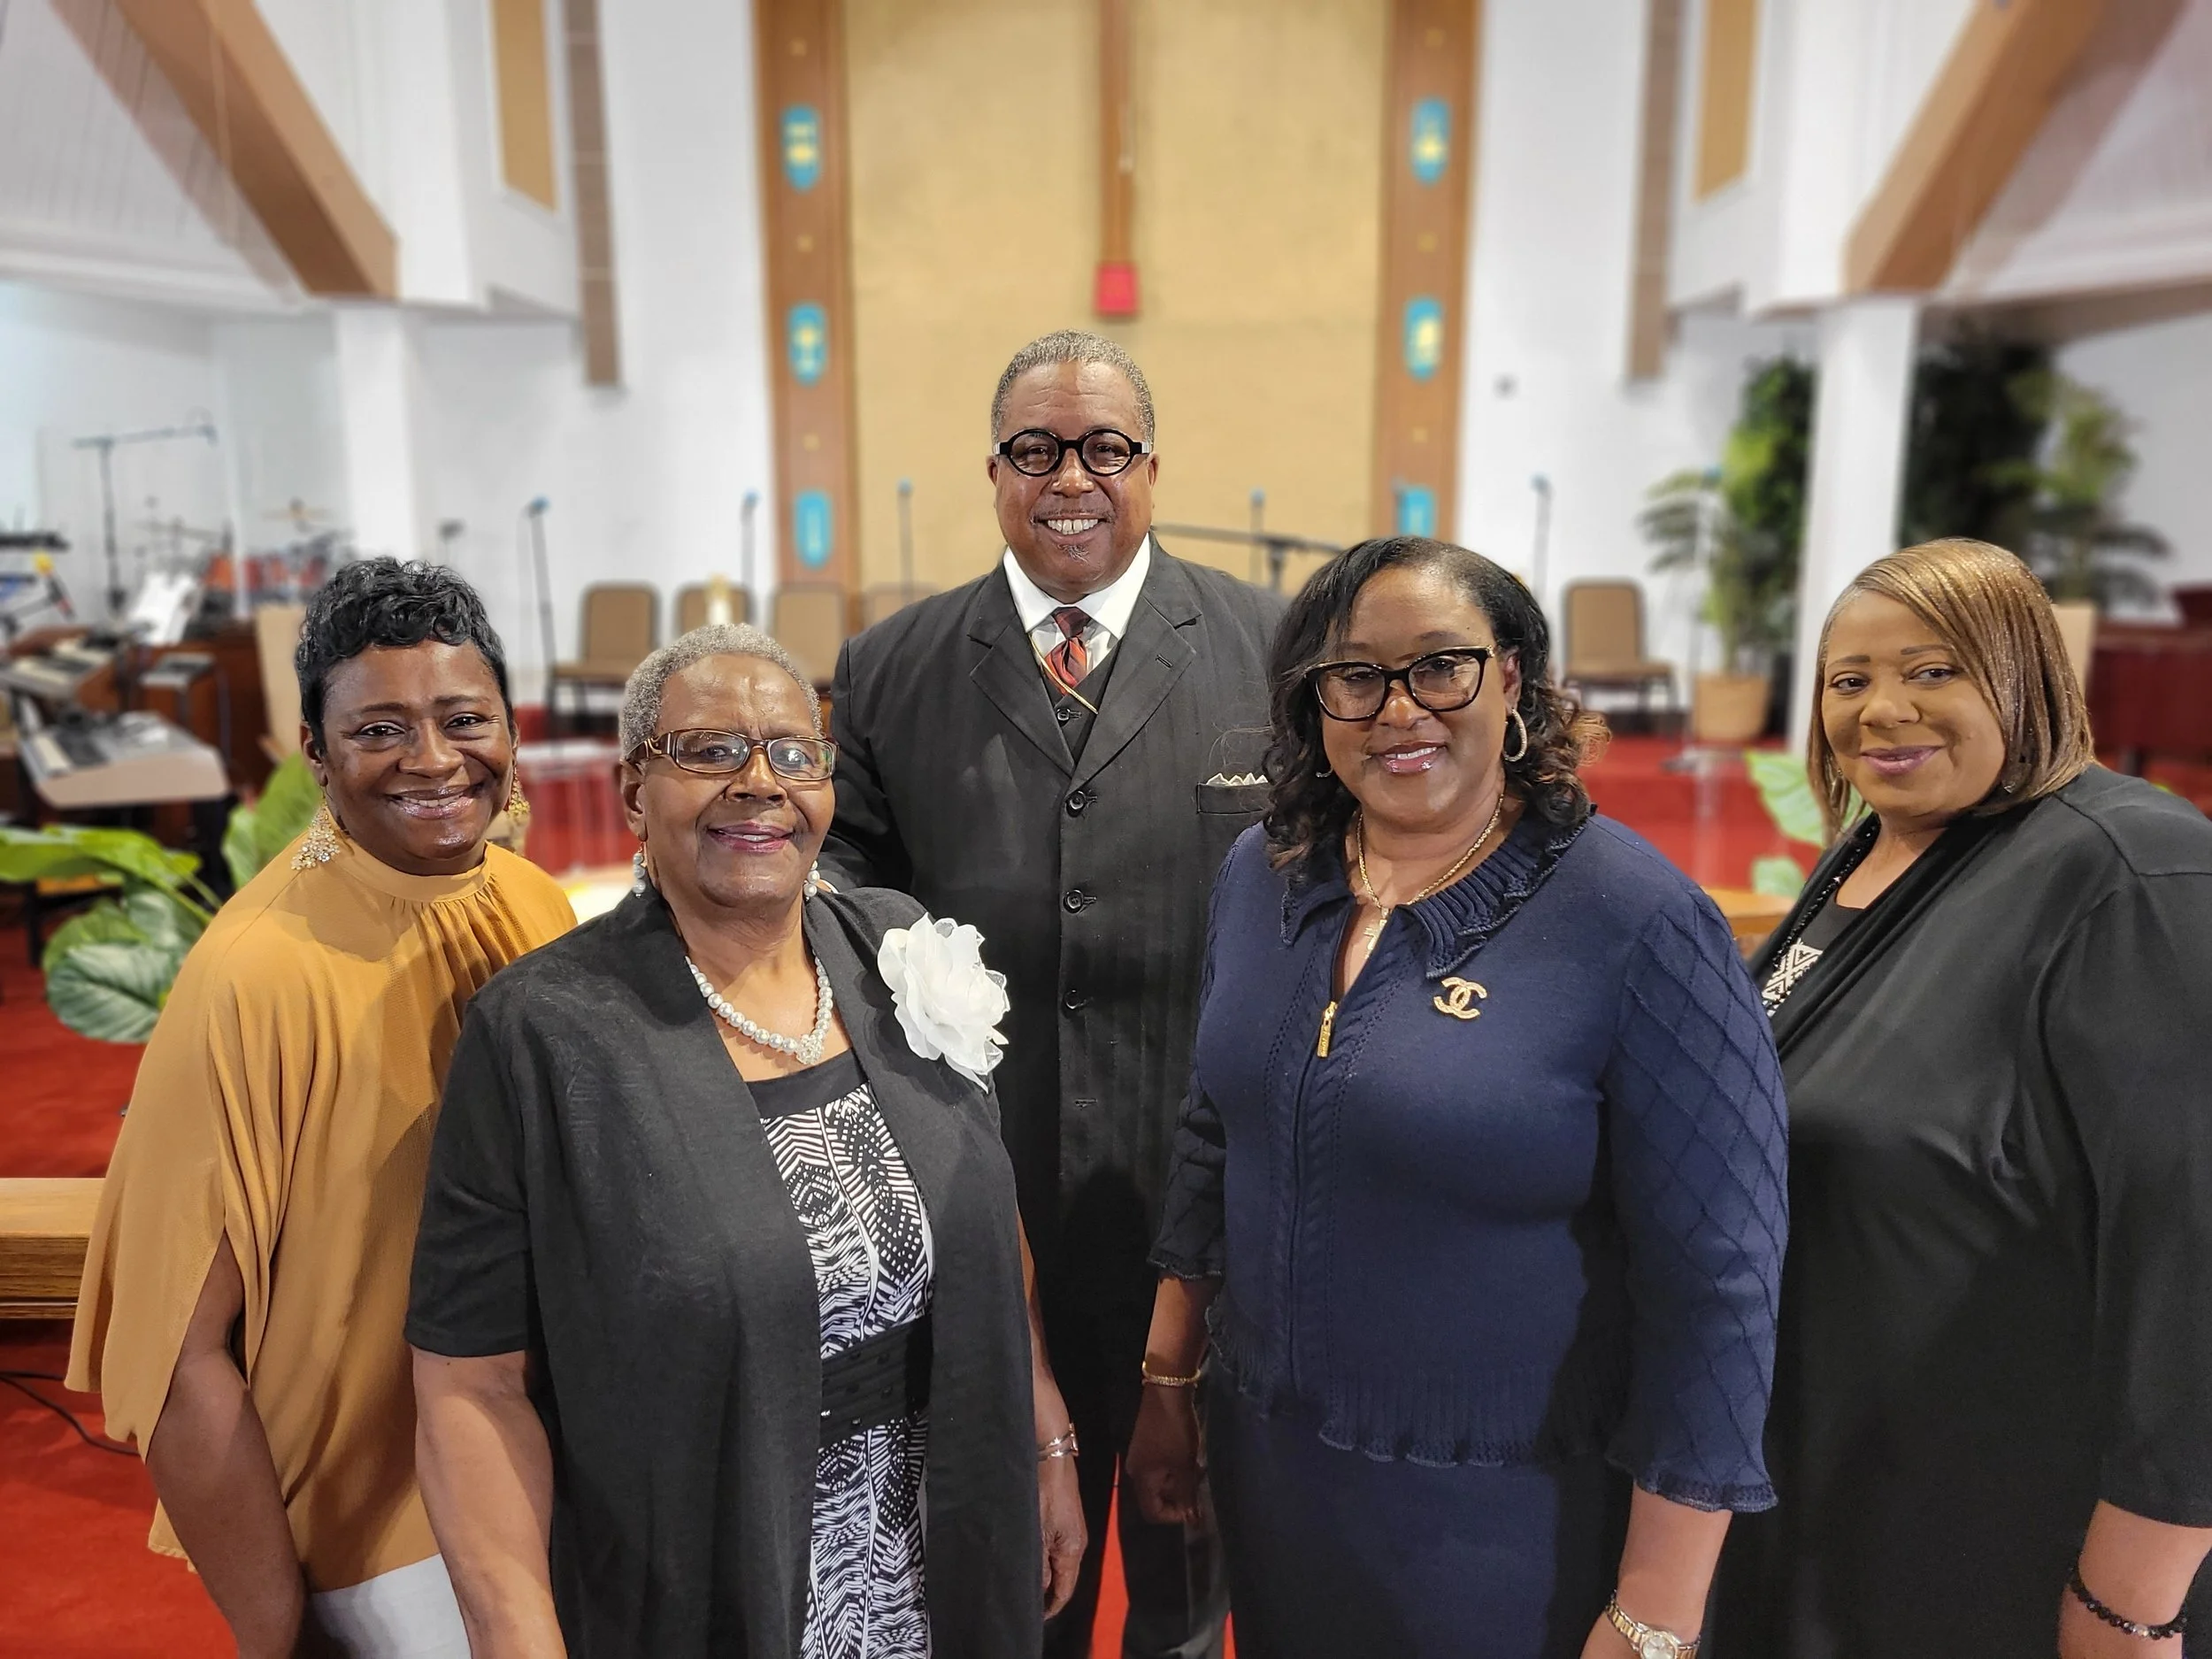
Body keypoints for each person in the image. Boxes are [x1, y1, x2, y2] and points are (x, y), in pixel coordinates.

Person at [1125, 535, 1790, 1659]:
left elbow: (1720, 1283)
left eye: (1442, 666)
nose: (1400, 710)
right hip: (1277, 1487)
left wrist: (1657, 1609)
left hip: (1503, 1526)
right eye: (1356, 677)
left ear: (1514, 679)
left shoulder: (1634, 920)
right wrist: (1167, 1376)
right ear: (1312, 703)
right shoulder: (1262, 874)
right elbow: (1212, 1133)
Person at [407, 624, 1083, 1657]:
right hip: (707, 1562)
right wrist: (516, 1637)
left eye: (792, 752)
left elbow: (987, 1222)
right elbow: (471, 1384)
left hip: (940, 1543)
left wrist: (1044, 1439)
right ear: (634, 794)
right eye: (710, 751)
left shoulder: (891, 948)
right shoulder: (545, 1031)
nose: (759, 782)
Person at [822, 329, 1285, 1656]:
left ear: (1151, 466)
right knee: (1017, 1576)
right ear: (994, 470)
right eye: (1035, 450)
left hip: (1206, 1202)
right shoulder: (896, 660)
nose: (1068, 476)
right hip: (984, 1200)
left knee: (1193, 1574)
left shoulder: (1268, 646)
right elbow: (845, 872)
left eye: (1103, 448)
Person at [1709, 538, 2212, 1656]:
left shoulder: (2130, 872)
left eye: (1933, 671)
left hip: (2014, 1546)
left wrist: (2130, 1595)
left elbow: (2193, 1250)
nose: (1885, 710)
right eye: (1850, 680)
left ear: (2024, 675)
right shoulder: (1871, 855)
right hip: (1836, 1497)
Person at [66, 558, 573, 1657]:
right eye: (380, 729)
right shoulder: (254, 974)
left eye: (462, 717)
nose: (433, 759)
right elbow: (174, 1356)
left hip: (547, 1477)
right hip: (380, 1545)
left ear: (510, 727)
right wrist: (277, 1631)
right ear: (314, 750)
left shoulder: (528, 898)